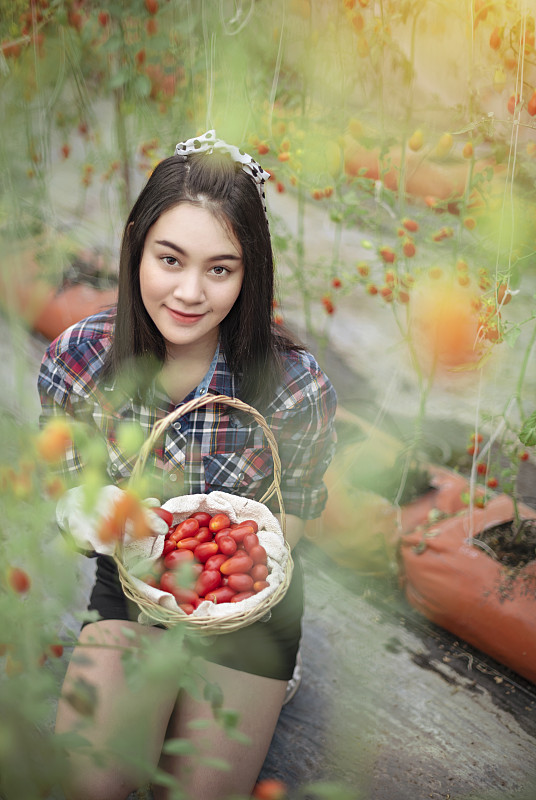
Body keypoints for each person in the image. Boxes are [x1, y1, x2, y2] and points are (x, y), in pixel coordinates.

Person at [38, 130, 337, 800]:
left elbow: (299, 509)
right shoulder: (80, 361)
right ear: (136, 243)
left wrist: (219, 595)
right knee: (94, 784)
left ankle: (265, 676)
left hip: (246, 610)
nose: (190, 292)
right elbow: (63, 482)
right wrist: (91, 514)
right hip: (133, 588)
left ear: (249, 271)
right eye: (170, 259)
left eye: (220, 269)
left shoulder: (294, 385)